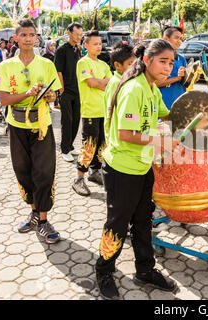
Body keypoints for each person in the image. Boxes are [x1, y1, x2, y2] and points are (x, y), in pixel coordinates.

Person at [96, 39, 179, 300]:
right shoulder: (134, 89)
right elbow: (125, 134)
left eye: (171, 62)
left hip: (143, 167)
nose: (168, 68)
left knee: (144, 221)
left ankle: (145, 271)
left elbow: (166, 114)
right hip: (121, 169)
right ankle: (104, 270)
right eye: (163, 61)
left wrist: (196, 110)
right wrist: (162, 141)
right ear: (147, 60)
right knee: (118, 224)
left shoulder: (151, 87)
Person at [0, 19, 62, 244]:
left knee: (44, 172)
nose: (27, 38)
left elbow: (55, 96)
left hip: (41, 125)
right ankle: (34, 212)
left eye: (31, 35)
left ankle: (44, 221)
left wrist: (49, 96)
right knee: (22, 170)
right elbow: (4, 99)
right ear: (16, 38)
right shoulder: (6, 66)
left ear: (36, 38)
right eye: (23, 35)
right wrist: (27, 94)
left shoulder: (46, 64)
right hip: (16, 126)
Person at [72, 30, 112, 196]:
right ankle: (78, 179)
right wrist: (102, 82)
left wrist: (100, 82)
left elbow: (110, 83)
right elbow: (92, 83)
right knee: (89, 144)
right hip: (90, 111)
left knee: (103, 144)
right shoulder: (83, 62)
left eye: (100, 44)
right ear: (86, 45)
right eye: (95, 44)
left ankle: (95, 172)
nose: (99, 46)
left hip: (104, 110)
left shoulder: (103, 64)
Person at [54, 22, 83, 162]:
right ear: (69, 32)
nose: (79, 37)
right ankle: (64, 149)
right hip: (66, 90)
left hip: (78, 89)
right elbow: (58, 70)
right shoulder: (61, 50)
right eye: (77, 34)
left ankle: (70, 146)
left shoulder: (78, 49)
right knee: (67, 120)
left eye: (80, 35)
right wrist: (61, 89)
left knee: (76, 119)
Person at [157, 26, 186, 110]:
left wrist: (192, 75)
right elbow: (156, 83)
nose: (179, 41)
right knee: (167, 123)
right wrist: (177, 78)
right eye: (176, 38)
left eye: (181, 39)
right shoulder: (157, 59)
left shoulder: (181, 59)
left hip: (181, 106)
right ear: (166, 39)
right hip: (164, 108)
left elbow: (185, 82)